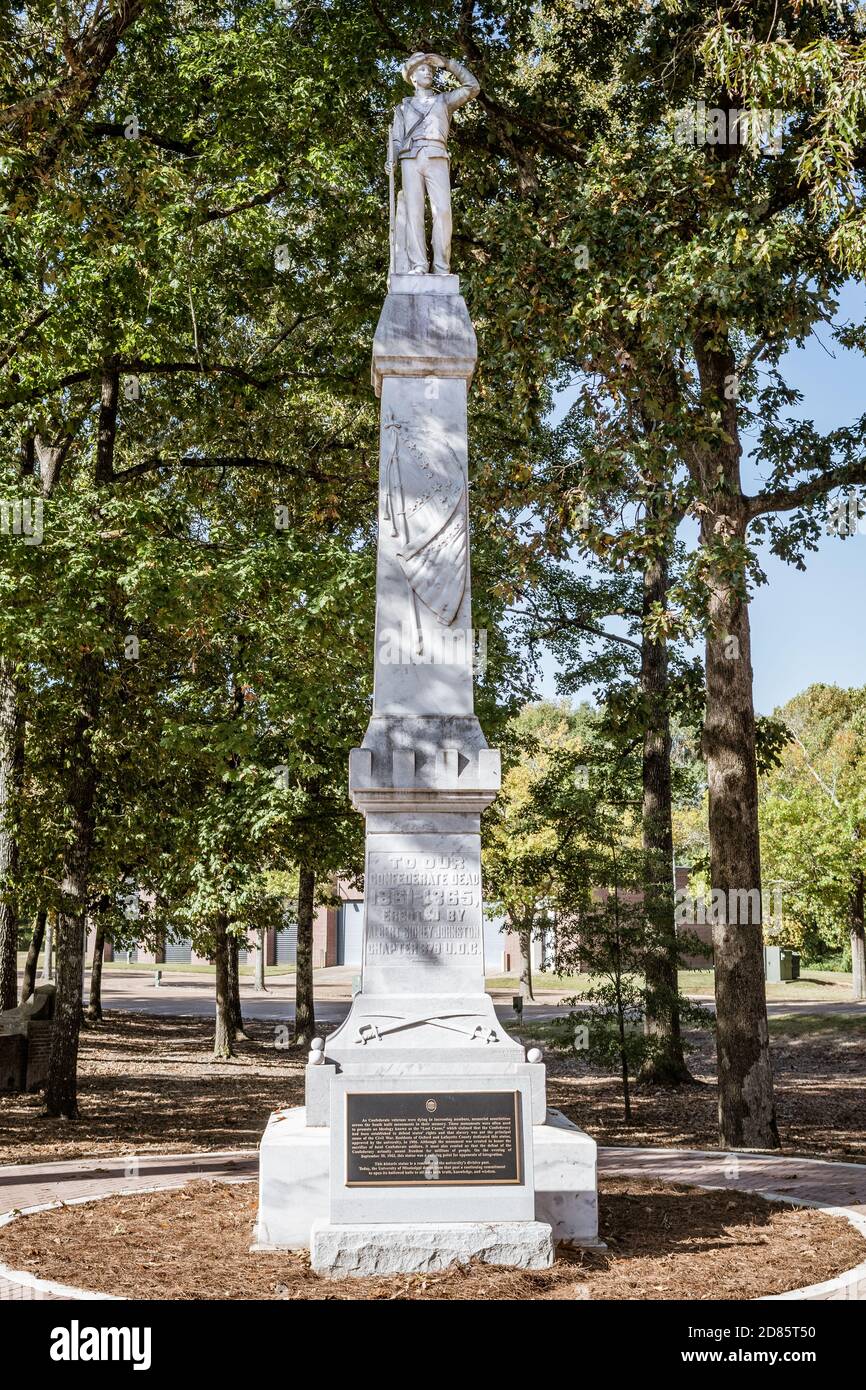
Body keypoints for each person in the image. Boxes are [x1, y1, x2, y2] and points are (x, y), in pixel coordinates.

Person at [389, 52, 479, 275]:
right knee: (414, 214)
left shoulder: (444, 100)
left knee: (443, 211)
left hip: (437, 154)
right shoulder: (403, 108)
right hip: (410, 158)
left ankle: (441, 266)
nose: (427, 71)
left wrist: (448, 64)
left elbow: (472, 87)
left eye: (430, 69)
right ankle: (418, 264)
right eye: (421, 69)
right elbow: (397, 139)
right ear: (412, 78)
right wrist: (391, 159)